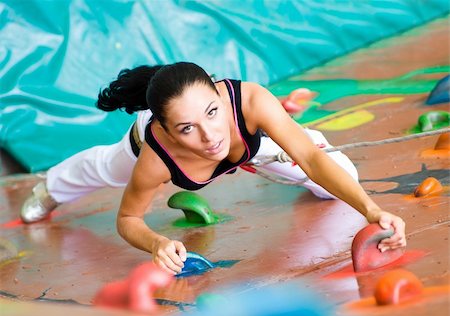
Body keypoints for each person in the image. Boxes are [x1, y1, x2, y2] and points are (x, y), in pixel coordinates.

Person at [21, 62, 406, 274]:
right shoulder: (156, 155)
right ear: (169, 131)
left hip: (251, 140)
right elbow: (128, 218)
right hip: (147, 145)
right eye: (188, 128)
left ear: (220, 94)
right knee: (108, 167)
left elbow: (312, 160)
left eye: (212, 112)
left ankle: (275, 138)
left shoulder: (250, 99)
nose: (209, 137)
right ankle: (52, 187)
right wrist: (157, 243)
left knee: (339, 177)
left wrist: (372, 210)